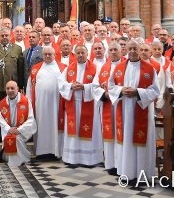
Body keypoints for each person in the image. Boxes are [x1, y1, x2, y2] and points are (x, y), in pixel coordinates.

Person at [108, 41, 160, 181]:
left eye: (135, 48)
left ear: (140, 50)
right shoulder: (119, 67)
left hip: (141, 108)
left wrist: (137, 92)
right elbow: (111, 86)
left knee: (141, 141)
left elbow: (155, 90)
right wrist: (121, 90)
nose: (132, 51)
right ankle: (127, 173)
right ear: (126, 50)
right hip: (124, 109)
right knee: (126, 140)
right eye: (130, 48)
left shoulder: (150, 69)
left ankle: (143, 175)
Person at [58, 45, 102, 166]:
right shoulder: (69, 68)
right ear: (75, 54)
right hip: (73, 103)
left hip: (88, 104)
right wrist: (71, 86)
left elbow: (98, 85)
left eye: (83, 53)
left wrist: (84, 87)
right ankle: (71, 158)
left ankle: (90, 159)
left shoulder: (95, 68)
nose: (81, 55)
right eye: (78, 53)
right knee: (73, 130)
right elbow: (61, 83)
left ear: (87, 54)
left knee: (89, 130)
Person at [26, 46, 65, 159]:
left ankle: (55, 152)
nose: (47, 56)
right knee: (41, 126)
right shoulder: (35, 69)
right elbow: (29, 87)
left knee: (55, 127)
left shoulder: (62, 68)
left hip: (56, 105)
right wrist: (29, 103)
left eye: (50, 54)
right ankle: (41, 152)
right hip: (40, 105)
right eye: (45, 54)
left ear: (54, 55)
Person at [92, 42, 123, 173]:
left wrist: (116, 93)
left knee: (121, 134)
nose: (113, 52)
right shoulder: (103, 68)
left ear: (121, 51)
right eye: (111, 50)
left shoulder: (126, 66)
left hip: (122, 106)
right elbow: (94, 86)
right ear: (108, 52)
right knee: (110, 133)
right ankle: (111, 164)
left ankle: (122, 164)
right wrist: (104, 94)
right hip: (107, 105)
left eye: (116, 49)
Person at [0, 80, 36, 166]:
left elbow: (30, 119)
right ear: (5, 90)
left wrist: (19, 130)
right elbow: (1, 120)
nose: (10, 90)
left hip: (22, 130)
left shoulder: (25, 101)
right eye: (8, 88)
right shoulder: (2, 103)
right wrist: (9, 129)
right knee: (11, 138)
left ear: (17, 89)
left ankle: (24, 158)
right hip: (9, 131)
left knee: (17, 138)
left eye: (12, 88)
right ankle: (17, 159)